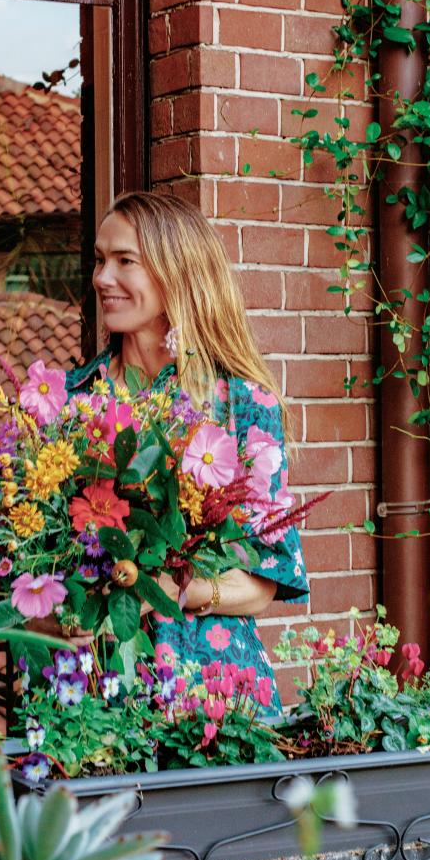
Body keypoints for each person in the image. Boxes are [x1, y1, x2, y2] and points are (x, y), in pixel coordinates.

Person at [64, 189, 308, 713]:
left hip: (213, 693)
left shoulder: (242, 403)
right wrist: (62, 609)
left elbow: (265, 581)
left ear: (176, 272)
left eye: (125, 261)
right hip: (88, 694)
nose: (103, 278)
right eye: (100, 261)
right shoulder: (70, 401)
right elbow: (27, 567)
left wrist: (166, 587)